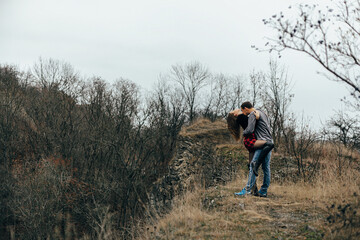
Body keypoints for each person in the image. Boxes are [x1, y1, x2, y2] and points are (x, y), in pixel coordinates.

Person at [235, 101, 274, 197]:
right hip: (269, 141)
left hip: (261, 143)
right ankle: (263, 191)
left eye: (242, 110)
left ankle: (247, 190)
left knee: (253, 165)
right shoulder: (262, 112)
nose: (243, 113)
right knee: (266, 168)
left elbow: (250, 130)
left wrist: (243, 134)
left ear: (246, 108)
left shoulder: (252, 114)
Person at [227, 109, 265, 196]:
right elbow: (253, 125)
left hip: (249, 141)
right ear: (235, 115)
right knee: (252, 166)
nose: (235, 109)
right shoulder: (241, 117)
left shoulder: (242, 117)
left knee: (251, 165)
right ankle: (252, 189)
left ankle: (254, 189)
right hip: (253, 141)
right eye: (233, 111)